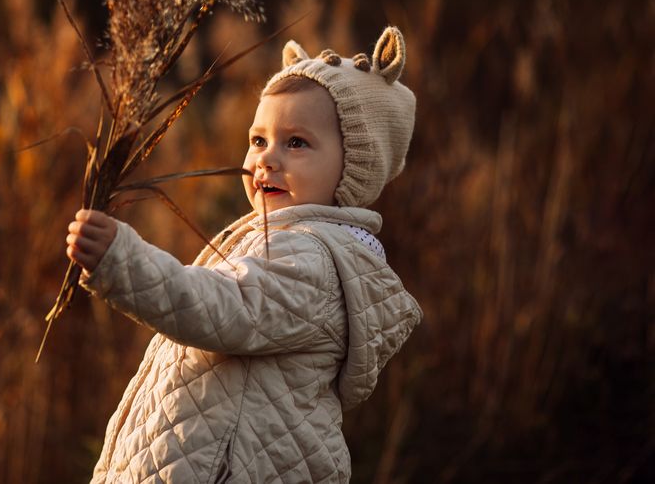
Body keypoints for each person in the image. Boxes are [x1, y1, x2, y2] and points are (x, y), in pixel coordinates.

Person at [66, 27, 423, 483]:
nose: (266, 160)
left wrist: (123, 260)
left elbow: (221, 306)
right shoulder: (273, 238)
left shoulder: (315, 262)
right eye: (258, 140)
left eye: (296, 143)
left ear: (354, 166)